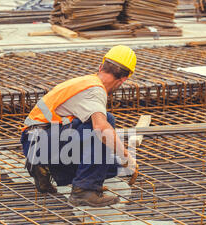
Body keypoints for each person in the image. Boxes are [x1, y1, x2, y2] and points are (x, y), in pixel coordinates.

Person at [21, 45, 138, 207]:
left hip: (36, 141)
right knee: (106, 123)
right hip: (41, 141)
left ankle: (44, 167)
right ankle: (84, 190)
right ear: (124, 79)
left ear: (101, 67)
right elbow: (102, 129)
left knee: (111, 166)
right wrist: (127, 158)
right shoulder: (95, 90)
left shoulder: (86, 82)